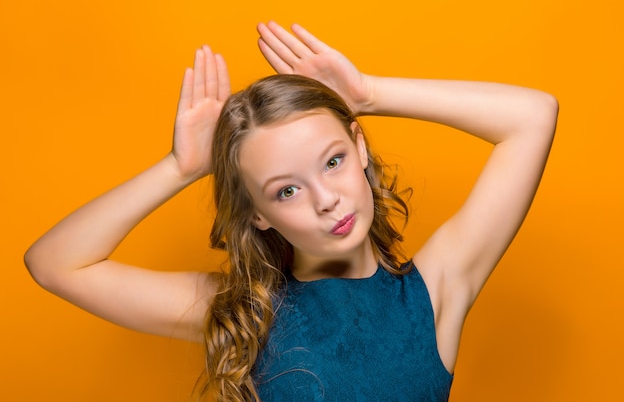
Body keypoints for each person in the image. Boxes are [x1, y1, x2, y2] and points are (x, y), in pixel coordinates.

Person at [24, 22, 558, 402]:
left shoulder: (435, 289)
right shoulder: (245, 313)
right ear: (256, 213)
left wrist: (368, 93)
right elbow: (55, 263)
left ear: (360, 147)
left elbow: (533, 116)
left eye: (333, 161)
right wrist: (181, 168)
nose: (326, 199)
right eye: (285, 191)